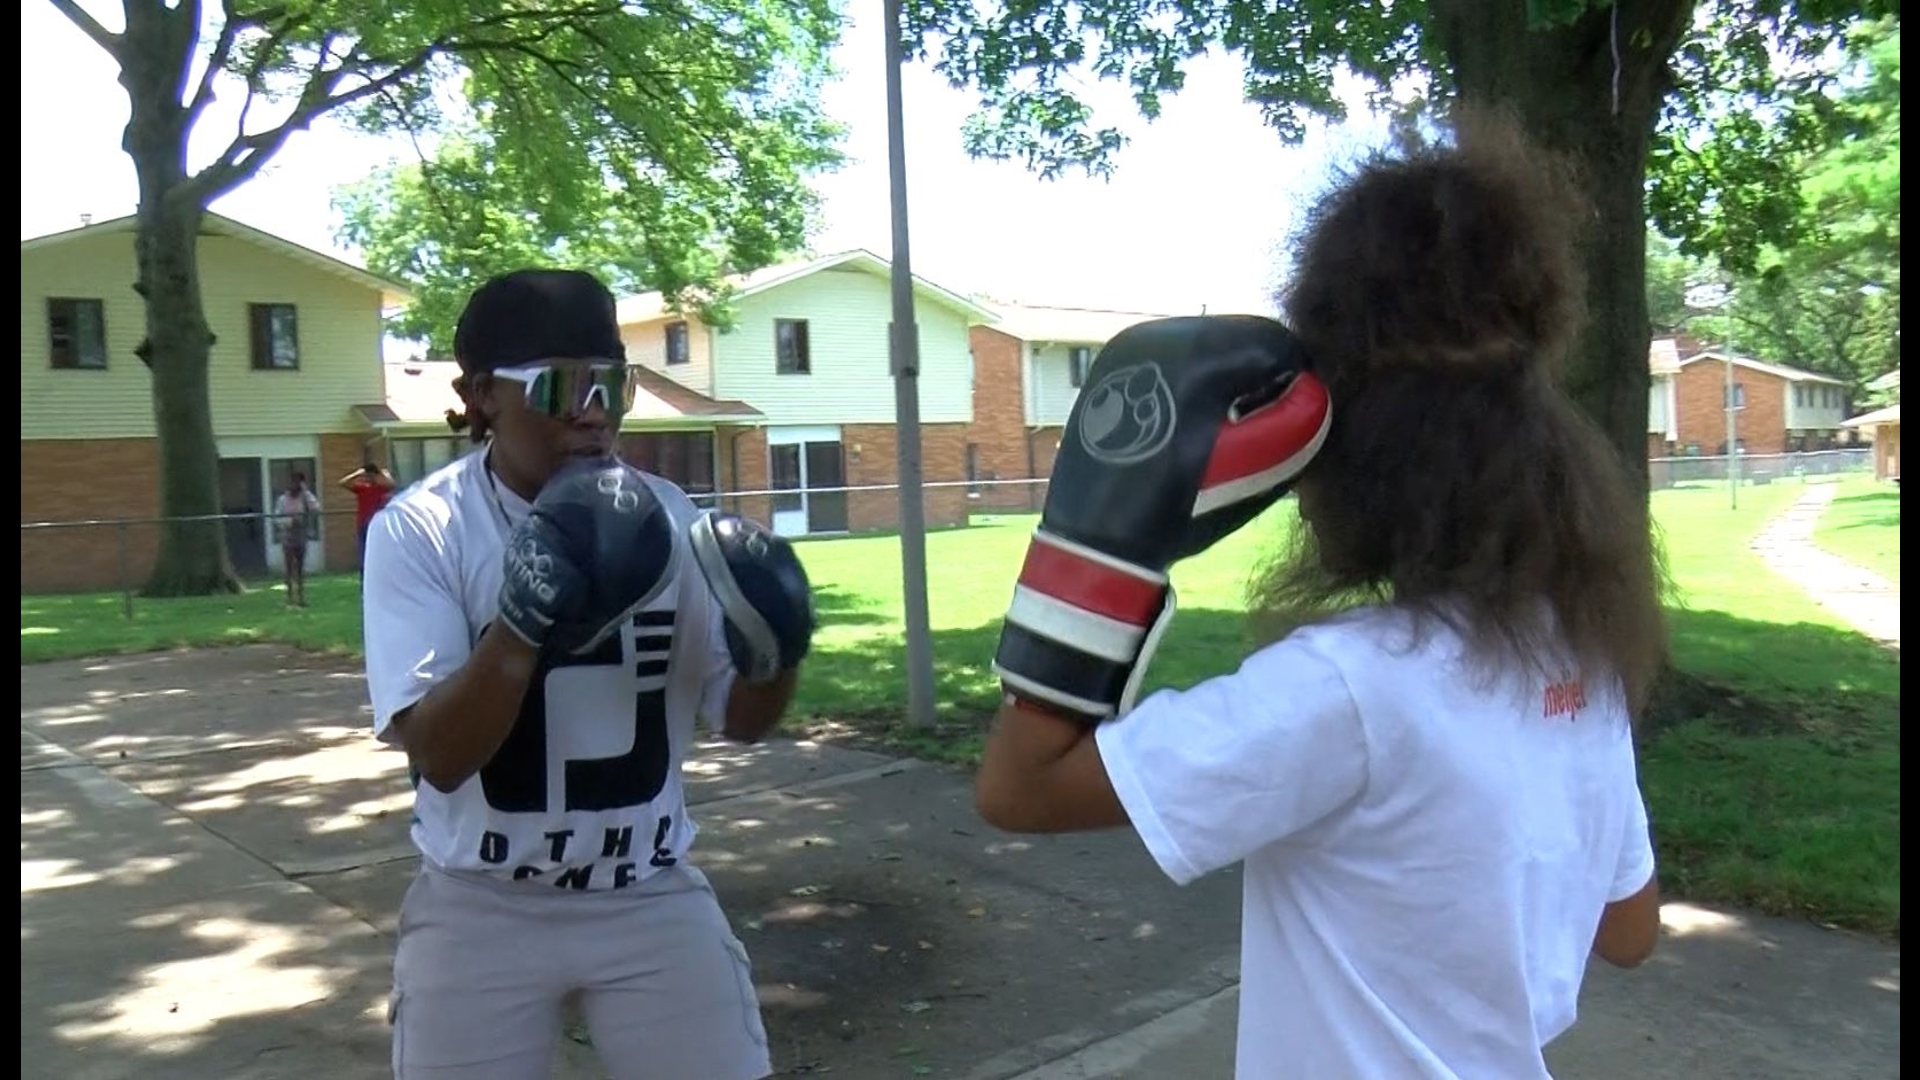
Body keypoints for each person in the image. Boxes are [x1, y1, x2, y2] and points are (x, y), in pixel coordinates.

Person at [975, 110, 1668, 1080]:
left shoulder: (1345, 689)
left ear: (1347, 449)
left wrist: (1096, 552)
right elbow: (1630, 929)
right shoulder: (1577, 656)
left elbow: (1019, 787)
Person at [361, 267, 816, 1080]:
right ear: (481, 395)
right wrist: (524, 622)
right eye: (559, 385)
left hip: (648, 891)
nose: (591, 410)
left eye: (612, 382)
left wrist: (775, 651)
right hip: (480, 905)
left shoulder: (676, 521)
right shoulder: (424, 530)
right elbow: (439, 753)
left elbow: (745, 724)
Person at [338, 459, 398, 572]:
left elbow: (392, 485)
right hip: (363, 524)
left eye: (370, 476)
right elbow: (342, 483)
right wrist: (357, 473)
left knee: (376, 554)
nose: (368, 478)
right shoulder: (362, 488)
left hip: (376, 525)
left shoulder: (381, 488)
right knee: (363, 554)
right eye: (366, 476)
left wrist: (384, 473)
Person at [274, 472, 321, 607]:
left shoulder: (305, 498)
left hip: (301, 535)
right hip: (287, 536)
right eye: (292, 482)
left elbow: (316, 509)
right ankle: (289, 598)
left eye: (297, 483)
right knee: (288, 568)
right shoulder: (282, 499)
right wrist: (289, 521)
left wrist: (306, 493)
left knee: (300, 568)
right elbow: (277, 518)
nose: (294, 485)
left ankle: (301, 597)